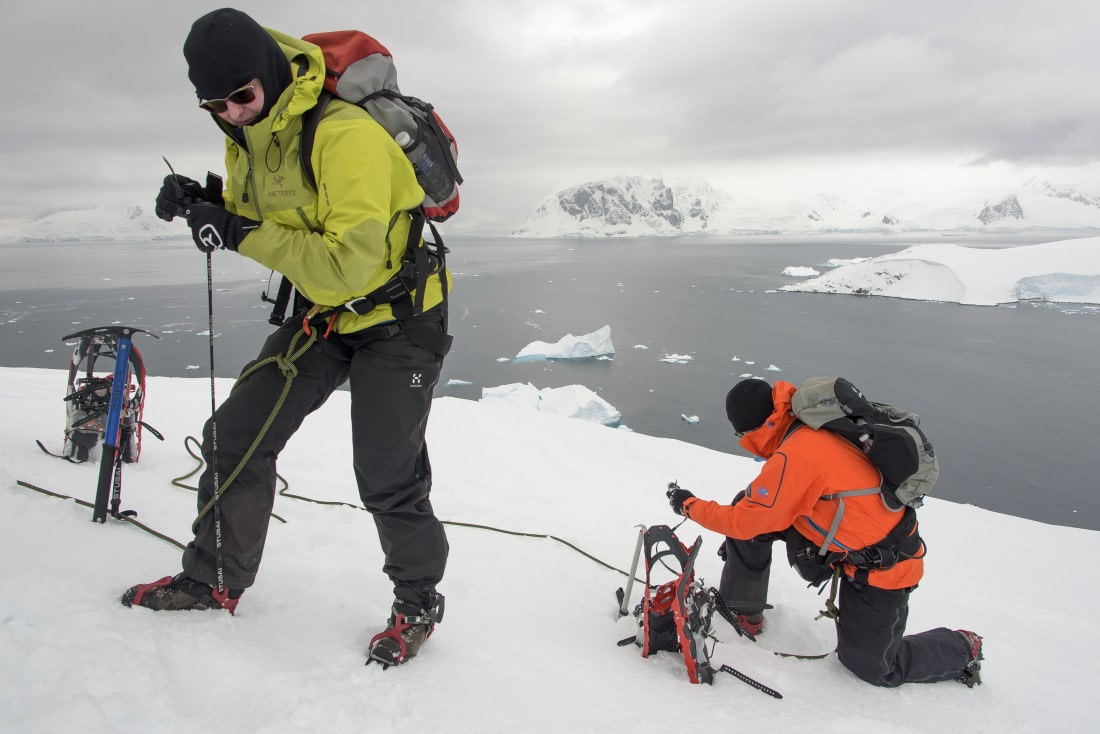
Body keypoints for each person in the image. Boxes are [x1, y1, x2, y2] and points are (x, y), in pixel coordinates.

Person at [122, 8, 452, 668]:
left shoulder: (345, 136)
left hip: (398, 316)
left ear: (267, 76)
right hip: (328, 314)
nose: (232, 113)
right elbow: (271, 214)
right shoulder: (248, 131)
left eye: (241, 97)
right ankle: (215, 578)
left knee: (387, 476)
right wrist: (203, 201)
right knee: (234, 437)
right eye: (214, 105)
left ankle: (417, 601)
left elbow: (345, 263)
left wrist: (237, 232)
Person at [664, 378, 983, 688]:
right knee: (751, 513)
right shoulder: (804, 428)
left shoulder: (799, 453)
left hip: (884, 566)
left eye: (742, 434)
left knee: (874, 668)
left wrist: (688, 505)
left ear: (753, 429)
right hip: (844, 542)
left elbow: (744, 521)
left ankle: (961, 648)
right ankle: (744, 609)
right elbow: (756, 514)